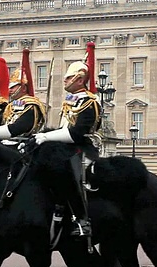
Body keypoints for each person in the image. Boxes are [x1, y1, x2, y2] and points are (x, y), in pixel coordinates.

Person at [33, 61, 101, 237]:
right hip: (64, 146)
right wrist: (46, 135)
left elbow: (77, 132)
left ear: (80, 80)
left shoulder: (89, 101)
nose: (65, 80)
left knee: (68, 171)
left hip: (81, 147)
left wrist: (48, 136)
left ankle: (82, 219)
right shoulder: (71, 100)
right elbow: (64, 129)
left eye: (69, 77)